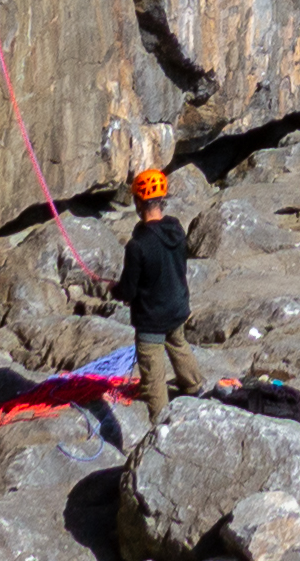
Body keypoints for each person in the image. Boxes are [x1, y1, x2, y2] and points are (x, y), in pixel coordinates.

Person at [112, 165, 195, 425]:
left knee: (153, 372)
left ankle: (160, 421)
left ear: (138, 203)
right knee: (178, 345)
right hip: (178, 307)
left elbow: (128, 290)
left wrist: (114, 290)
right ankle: (194, 386)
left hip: (151, 318)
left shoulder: (137, 246)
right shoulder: (176, 230)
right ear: (162, 200)